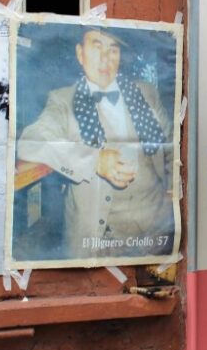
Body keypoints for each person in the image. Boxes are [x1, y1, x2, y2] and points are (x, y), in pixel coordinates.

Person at [16, 26, 174, 260]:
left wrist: (171, 194)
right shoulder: (62, 100)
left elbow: (171, 148)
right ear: (80, 54)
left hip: (156, 235)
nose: (105, 59)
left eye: (113, 49)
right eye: (96, 47)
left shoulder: (146, 93)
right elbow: (30, 142)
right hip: (100, 241)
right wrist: (94, 160)